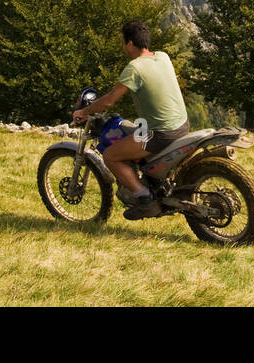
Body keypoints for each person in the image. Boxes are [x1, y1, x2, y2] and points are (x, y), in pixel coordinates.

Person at [71, 19, 189, 219]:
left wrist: (84, 112)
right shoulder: (162, 56)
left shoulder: (134, 68)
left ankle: (145, 200)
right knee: (133, 128)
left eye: (123, 42)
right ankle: (151, 182)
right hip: (183, 125)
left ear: (130, 43)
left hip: (160, 133)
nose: (123, 46)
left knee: (110, 155)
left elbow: (109, 100)